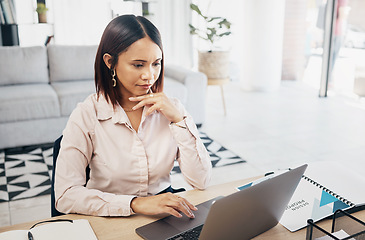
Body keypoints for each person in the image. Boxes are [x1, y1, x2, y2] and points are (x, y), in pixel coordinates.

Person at [54, 15, 212, 219]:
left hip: (163, 217)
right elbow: (65, 195)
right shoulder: (87, 114)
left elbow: (202, 180)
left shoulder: (172, 109)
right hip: (108, 219)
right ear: (110, 62)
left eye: (156, 63)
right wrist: (135, 204)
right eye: (138, 65)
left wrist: (179, 120)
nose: (149, 75)